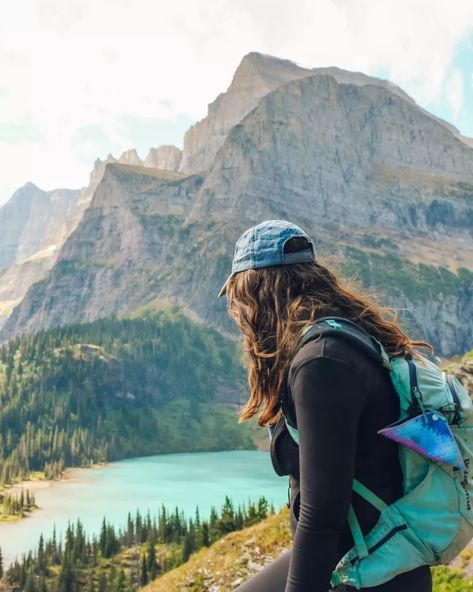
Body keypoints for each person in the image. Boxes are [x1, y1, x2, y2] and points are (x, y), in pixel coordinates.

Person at [217, 219, 433, 592]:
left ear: (259, 292)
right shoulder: (344, 335)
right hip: (378, 554)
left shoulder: (321, 362)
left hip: (368, 568)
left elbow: (322, 516)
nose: (238, 313)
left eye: (239, 298)